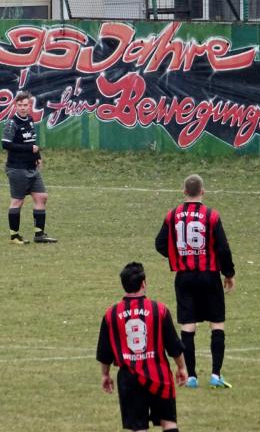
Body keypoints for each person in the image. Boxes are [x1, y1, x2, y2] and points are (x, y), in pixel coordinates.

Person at [155, 174, 236, 389]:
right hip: (209, 276)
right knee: (216, 322)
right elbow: (223, 248)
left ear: (184, 192)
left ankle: (191, 376)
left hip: (184, 277)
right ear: (203, 191)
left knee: (188, 325)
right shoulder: (211, 215)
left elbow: (160, 243)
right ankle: (216, 374)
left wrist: (177, 255)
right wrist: (228, 273)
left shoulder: (172, 215)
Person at [96, 262, 188, 432]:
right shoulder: (159, 310)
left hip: (129, 379)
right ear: (144, 283)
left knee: (138, 428)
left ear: (123, 285)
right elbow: (174, 346)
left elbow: (104, 353)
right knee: (169, 423)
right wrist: (181, 367)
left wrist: (105, 375)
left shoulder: (111, 314)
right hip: (158, 375)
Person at [2, 91, 57, 245]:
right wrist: (29, 150)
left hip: (31, 167)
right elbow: (6, 144)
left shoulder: (30, 120)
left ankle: (39, 235)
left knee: (41, 197)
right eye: (20, 105)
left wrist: (37, 157)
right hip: (17, 168)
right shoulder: (12, 123)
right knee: (17, 201)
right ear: (15, 105)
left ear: (29, 105)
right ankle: (14, 236)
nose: (23, 108)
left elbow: (31, 141)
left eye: (25, 105)